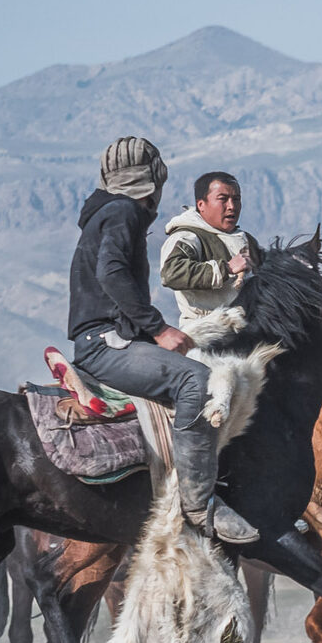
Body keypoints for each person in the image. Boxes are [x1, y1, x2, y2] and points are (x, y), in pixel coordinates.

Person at [66, 136, 258, 543]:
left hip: (110, 337)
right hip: (107, 343)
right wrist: (158, 329)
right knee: (196, 380)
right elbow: (112, 273)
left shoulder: (108, 212)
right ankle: (197, 505)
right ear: (153, 182)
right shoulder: (123, 212)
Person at [160, 170, 263, 323]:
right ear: (201, 205)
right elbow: (171, 273)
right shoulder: (187, 237)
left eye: (236, 199)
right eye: (223, 199)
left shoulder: (247, 239)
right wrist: (226, 268)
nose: (231, 206)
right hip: (206, 332)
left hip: (249, 328)